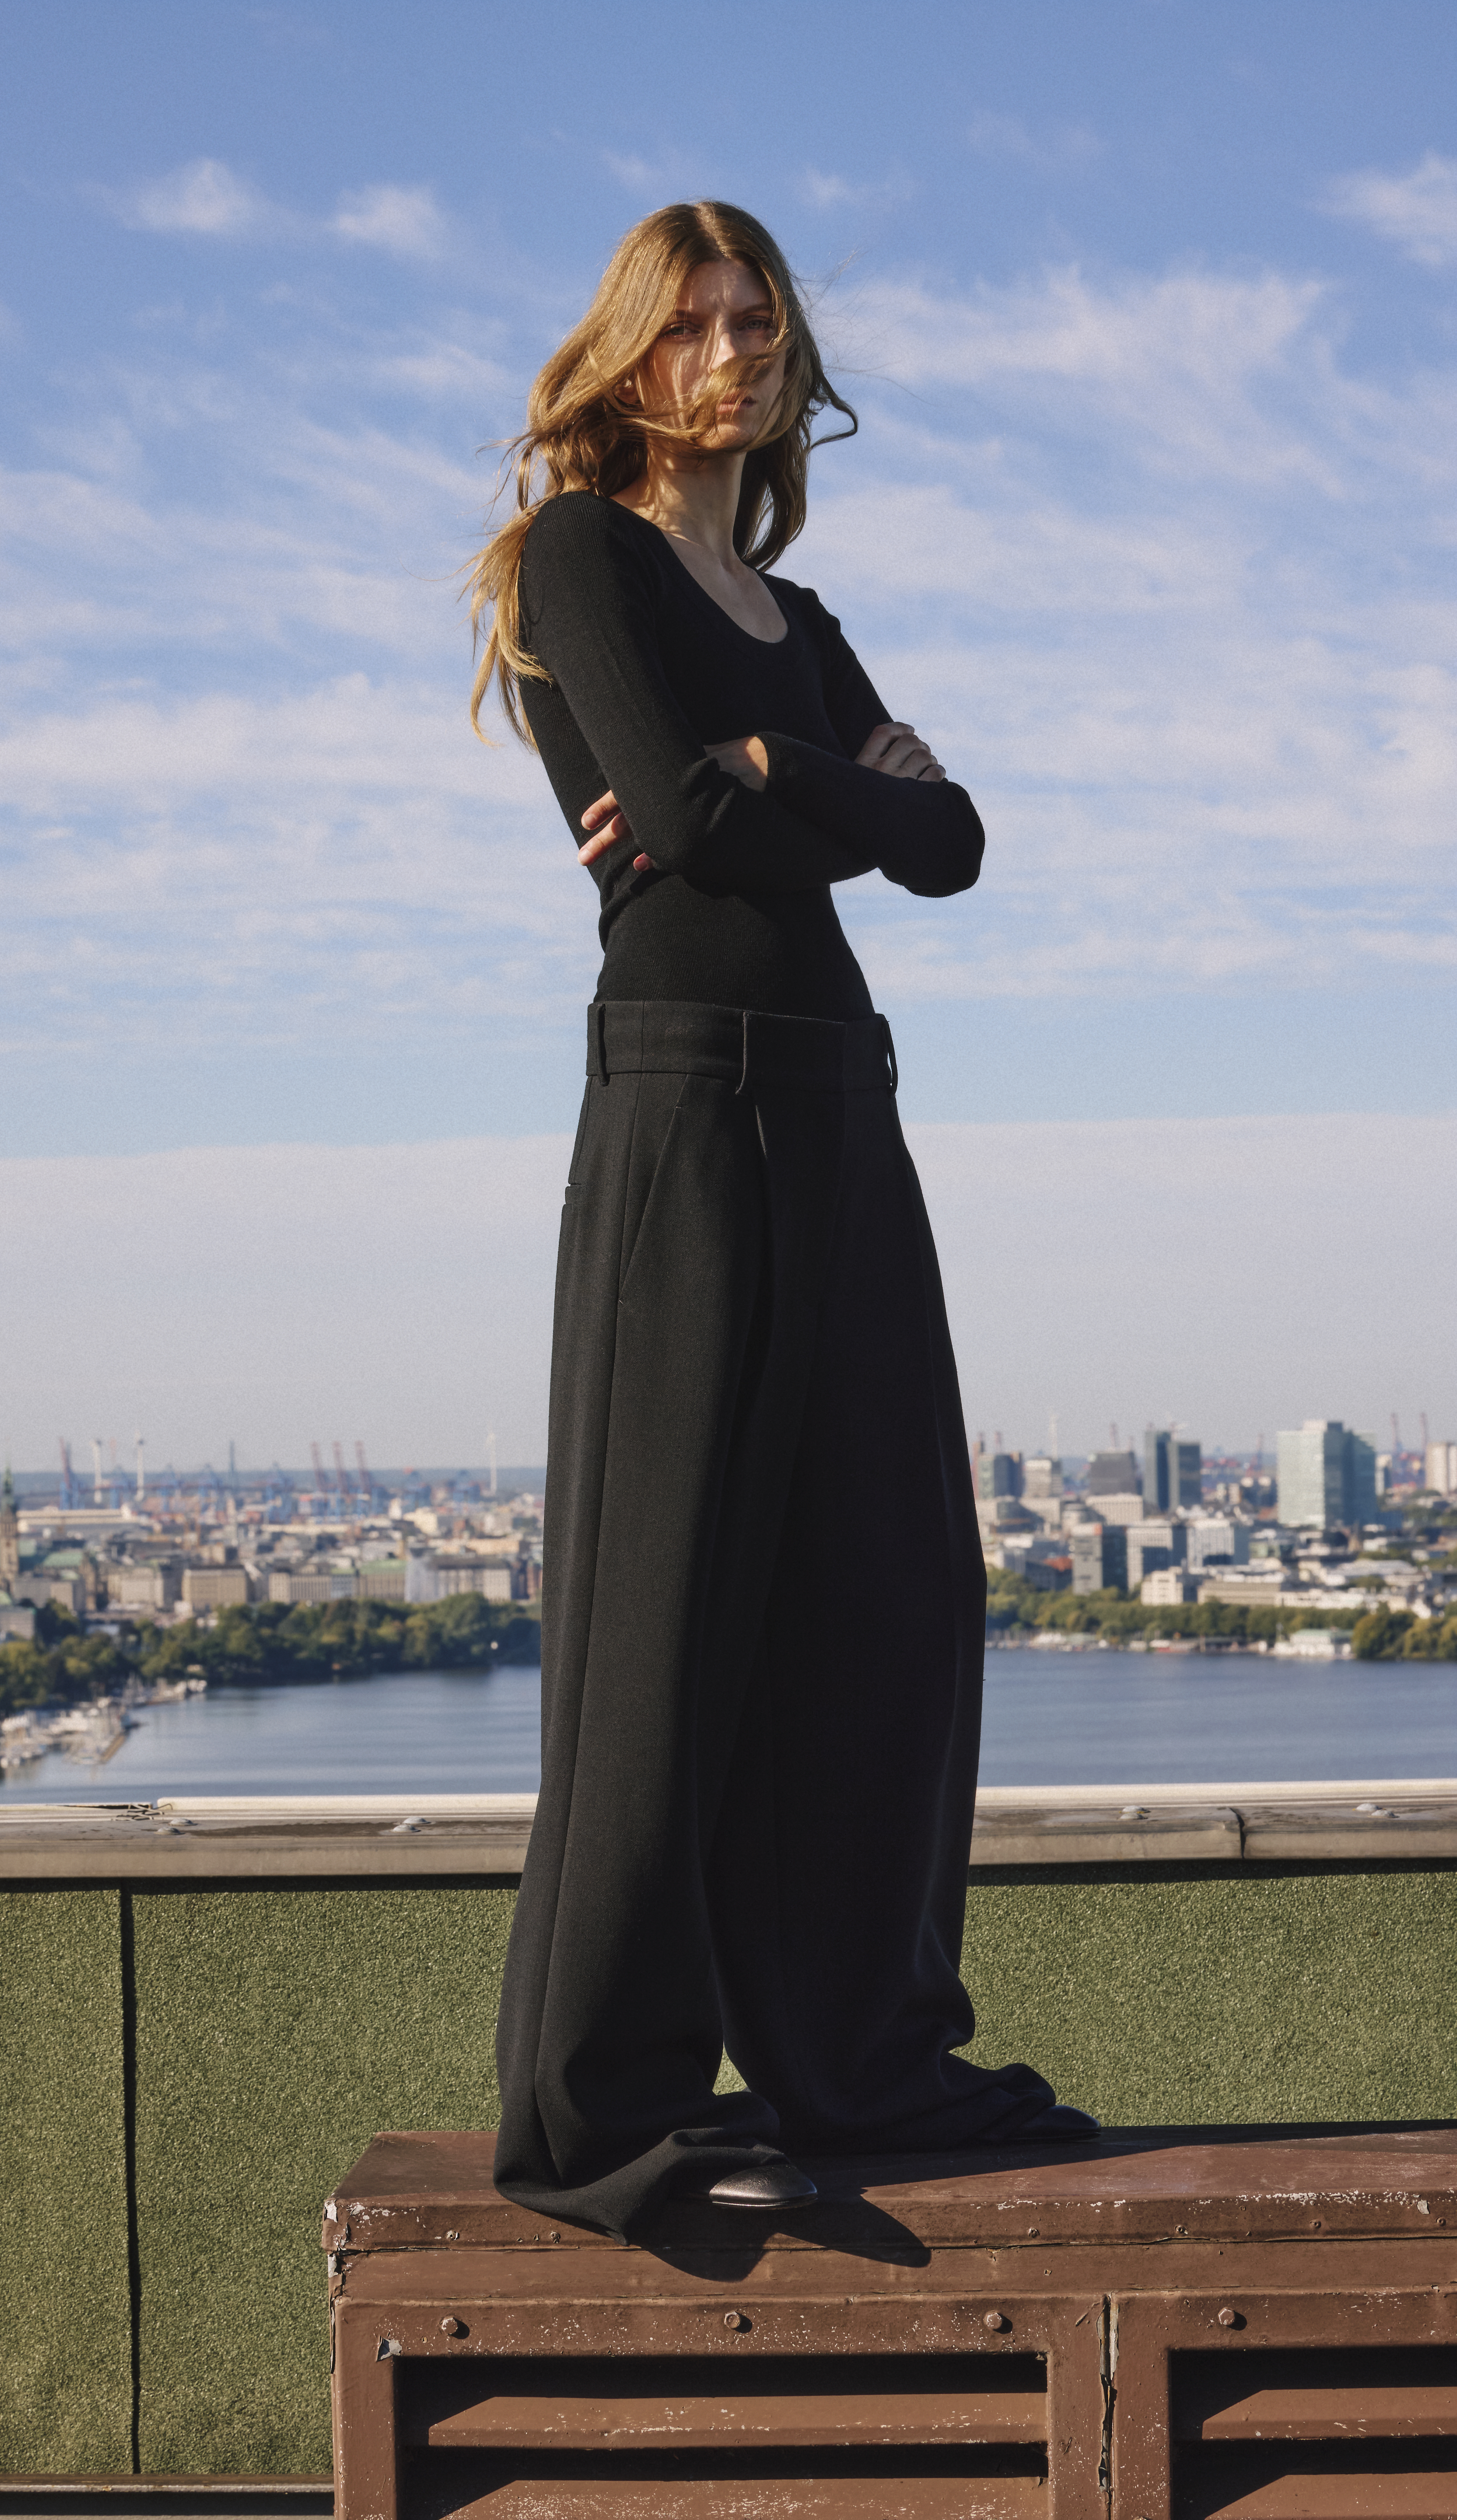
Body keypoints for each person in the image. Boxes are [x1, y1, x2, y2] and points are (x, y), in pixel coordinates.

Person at [468, 201, 1092, 2242]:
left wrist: (772, 760)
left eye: (756, 322)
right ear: (630, 358)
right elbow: (685, 821)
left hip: (844, 1105)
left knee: (888, 1586)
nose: (725, 355)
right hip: (684, 1102)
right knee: (666, 1608)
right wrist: (799, 777)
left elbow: (959, 844)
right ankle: (602, 2108)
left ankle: (855, 2052)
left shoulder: (795, 620)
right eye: (690, 325)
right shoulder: (587, 557)